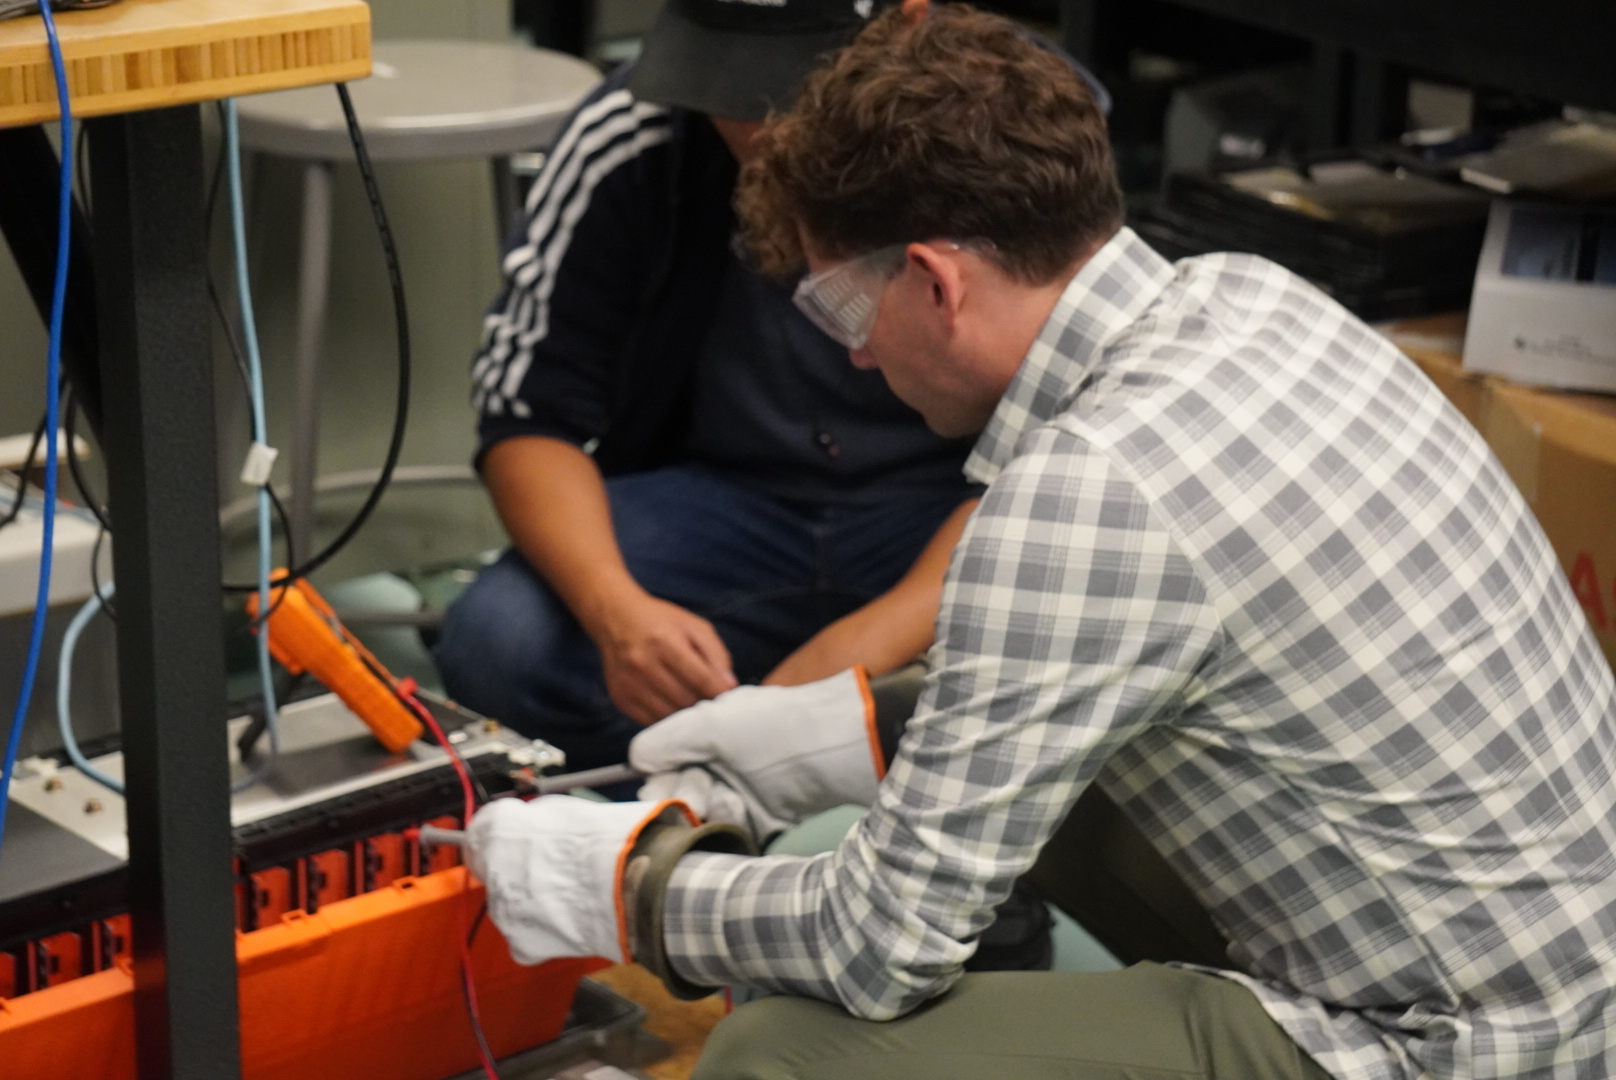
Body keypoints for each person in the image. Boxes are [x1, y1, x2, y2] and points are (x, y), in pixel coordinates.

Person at [464, 6, 1616, 1080]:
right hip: (1561, 975)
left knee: (779, 1052)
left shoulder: (1085, 488)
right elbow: (1071, 679)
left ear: (933, 281)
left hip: (1462, 1050)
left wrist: (625, 884)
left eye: (842, 309)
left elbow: (875, 947)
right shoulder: (1248, 296)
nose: (854, 355)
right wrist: (840, 734)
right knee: (1029, 800)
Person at [434, 0, 986, 781]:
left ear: (906, 20)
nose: (766, 129)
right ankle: (686, 796)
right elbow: (526, 416)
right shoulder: (634, 135)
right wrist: (619, 615)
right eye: (727, 86)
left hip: (957, 510)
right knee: (501, 640)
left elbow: (1060, 448)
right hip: (726, 502)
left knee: (1047, 641)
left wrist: (861, 652)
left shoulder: (1008, 126)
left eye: (794, 89)